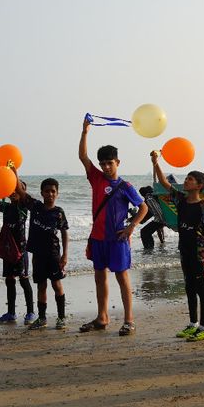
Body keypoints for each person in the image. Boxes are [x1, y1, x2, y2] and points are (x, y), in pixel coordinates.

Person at [78, 121, 148, 335]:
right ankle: (102, 317)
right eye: (103, 164)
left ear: (118, 162)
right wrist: (85, 132)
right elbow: (83, 157)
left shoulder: (125, 186)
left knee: (122, 277)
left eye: (110, 163)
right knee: (99, 277)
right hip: (98, 238)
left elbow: (143, 207)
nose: (106, 167)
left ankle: (129, 320)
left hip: (117, 240)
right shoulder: (96, 179)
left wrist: (131, 228)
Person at [151, 150, 204, 342]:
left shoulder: (203, 206)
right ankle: (193, 324)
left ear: (199, 185)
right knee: (189, 287)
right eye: (186, 178)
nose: (186, 181)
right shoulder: (181, 200)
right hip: (184, 250)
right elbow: (164, 183)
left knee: (202, 289)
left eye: (190, 179)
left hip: (199, 252)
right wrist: (156, 162)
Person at [21, 179, 71, 330]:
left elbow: (64, 233)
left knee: (56, 284)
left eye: (53, 191)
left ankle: (61, 318)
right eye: (47, 191)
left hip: (53, 254)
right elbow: (20, 191)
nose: (50, 194)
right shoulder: (35, 206)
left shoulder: (59, 212)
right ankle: (42, 318)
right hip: (38, 254)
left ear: (57, 193)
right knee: (41, 286)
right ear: (42, 193)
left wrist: (65, 255)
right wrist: (13, 171)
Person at [0, 181, 35, 325]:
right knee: (9, 280)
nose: (14, 192)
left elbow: (25, 198)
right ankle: (11, 313)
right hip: (8, 250)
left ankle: (30, 312)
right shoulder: (6, 207)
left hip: (21, 250)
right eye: (11, 189)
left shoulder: (23, 207)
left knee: (24, 280)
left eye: (17, 190)